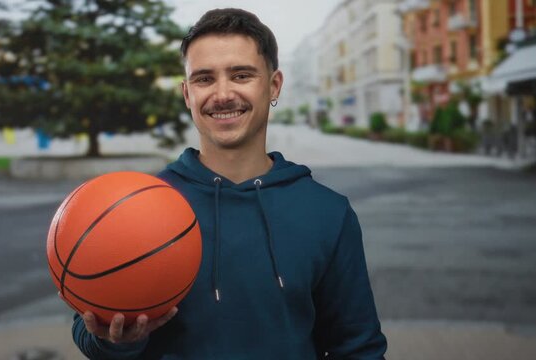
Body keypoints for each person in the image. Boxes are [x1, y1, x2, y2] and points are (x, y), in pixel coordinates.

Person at [71, 8, 387, 359]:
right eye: (204, 79)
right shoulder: (139, 206)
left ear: (274, 85)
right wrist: (116, 341)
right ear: (187, 94)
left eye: (241, 75)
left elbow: (359, 348)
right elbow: (89, 333)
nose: (222, 94)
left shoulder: (327, 212)